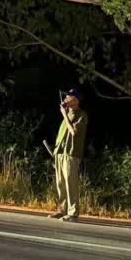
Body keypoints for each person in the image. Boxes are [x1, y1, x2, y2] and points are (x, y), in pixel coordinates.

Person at [49, 89, 88, 222]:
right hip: (60, 153)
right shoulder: (67, 113)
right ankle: (62, 210)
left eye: (69, 96)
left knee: (70, 183)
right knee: (60, 183)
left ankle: (73, 213)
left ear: (76, 100)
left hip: (71, 153)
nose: (65, 98)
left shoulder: (81, 115)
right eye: (65, 96)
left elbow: (73, 132)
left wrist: (64, 115)